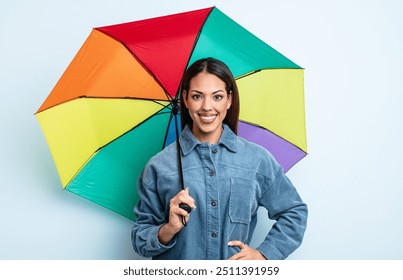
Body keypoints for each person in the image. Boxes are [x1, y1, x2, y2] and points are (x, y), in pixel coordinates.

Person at [131, 57, 308, 260]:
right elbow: (140, 240)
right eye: (197, 96)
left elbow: (294, 212)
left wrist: (264, 255)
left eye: (217, 97)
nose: (207, 107)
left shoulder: (257, 160)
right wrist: (169, 228)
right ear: (186, 99)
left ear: (229, 100)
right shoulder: (160, 166)